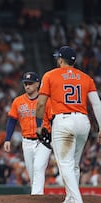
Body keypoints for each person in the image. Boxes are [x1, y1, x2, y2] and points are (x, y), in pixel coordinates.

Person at [36, 46, 101, 203]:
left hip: (64, 121)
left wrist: (39, 124)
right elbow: (97, 104)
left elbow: (40, 104)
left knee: (65, 164)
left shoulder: (50, 75)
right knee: (74, 164)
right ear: (75, 61)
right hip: (83, 122)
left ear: (60, 60)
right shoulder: (86, 78)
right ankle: (70, 198)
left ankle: (77, 200)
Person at [3, 71, 53, 195]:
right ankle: (36, 194)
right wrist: (7, 139)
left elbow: (53, 119)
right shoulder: (18, 101)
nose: (27, 86)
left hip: (43, 141)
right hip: (27, 141)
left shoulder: (46, 101)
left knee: (38, 167)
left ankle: (37, 197)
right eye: (25, 83)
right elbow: (11, 120)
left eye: (30, 83)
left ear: (38, 84)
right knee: (32, 173)